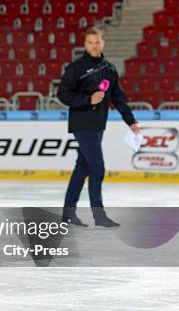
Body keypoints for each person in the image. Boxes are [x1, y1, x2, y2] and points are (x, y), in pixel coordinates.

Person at [58, 27, 139, 227]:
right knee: (97, 168)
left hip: (98, 125)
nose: (94, 46)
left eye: (97, 42)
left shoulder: (109, 69)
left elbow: (118, 98)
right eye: (90, 42)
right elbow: (63, 94)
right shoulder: (76, 67)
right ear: (85, 45)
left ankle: (68, 213)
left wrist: (131, 121)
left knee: (82, 169)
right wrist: (88, 99)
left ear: (102, 43)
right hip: (81, 124)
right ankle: (99, 215)